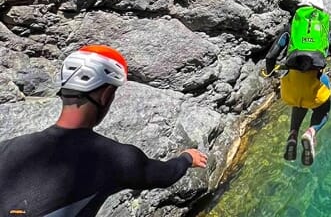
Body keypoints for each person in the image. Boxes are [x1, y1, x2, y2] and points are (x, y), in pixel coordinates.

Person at [0, 45, 208, 217]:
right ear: (105, 95)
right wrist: (186, 158)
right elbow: (164, 176)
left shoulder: (7, 147)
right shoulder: (114, 159)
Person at [263, 0, 331, 166]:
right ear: (320, 10)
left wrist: (270, 72)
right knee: (323, 109)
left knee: (299, 102)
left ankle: (293, 134)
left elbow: (271, 55)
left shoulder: (293, 25)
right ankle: (310, 132)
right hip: (316, 83)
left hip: (291, 86)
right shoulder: (328, 26)